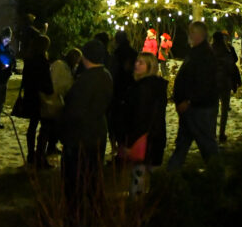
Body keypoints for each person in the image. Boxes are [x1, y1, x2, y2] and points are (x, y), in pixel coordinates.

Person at [60, 39, 113, 217]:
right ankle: (94, 211)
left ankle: (76, 214)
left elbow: (74, 111)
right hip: (97, 132)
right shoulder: (106, 75)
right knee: (93, 176)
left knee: (75, 179)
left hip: (80, 136)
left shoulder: (85, 81)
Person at [167, 20, 219, 169]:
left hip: (199, 109)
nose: (188, 35)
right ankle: (171, 174)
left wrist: (189, 101)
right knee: (183, 144)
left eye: (191, 32)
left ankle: (216, 173)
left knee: (206, 144)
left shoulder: (204, 55)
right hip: (191, 109)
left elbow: (204, 84)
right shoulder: (196, 52)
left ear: (198, 34)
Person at [119, 52, 167, 195]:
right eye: (137, 61)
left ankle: (139, 207)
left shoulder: (143, 88)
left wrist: (130, 141)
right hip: (155, 136)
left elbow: (141, 116)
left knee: (139, 175)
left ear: (149, 67)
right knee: (152, 173)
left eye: (141, 63)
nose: (136, 64)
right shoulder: (155, 86)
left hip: (144, 138)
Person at [20, 34, 53, 167]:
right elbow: (46, 82)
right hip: (40, 98)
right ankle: (40, 155)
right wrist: (50, 90)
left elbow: (25, 80)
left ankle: (30, 154)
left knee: (32, 126)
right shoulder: (43, 62)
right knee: (45, 126)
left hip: (30, 96)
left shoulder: (29, 60)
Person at [108, 30, 138, 150]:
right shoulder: (133, 53)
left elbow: (114, 73)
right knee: (129, 121)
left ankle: (120, 149)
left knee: (118, 122)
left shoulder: (116, 54)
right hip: (131, 88)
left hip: (119, 90)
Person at [211, 29, 238, 143]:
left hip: (213, 83)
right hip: (225, 82)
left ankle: (212, 133)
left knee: (214, 109)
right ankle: (222, 133)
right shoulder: (228, 50)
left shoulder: (210, 50)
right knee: (224, 109)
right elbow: (234, 61)